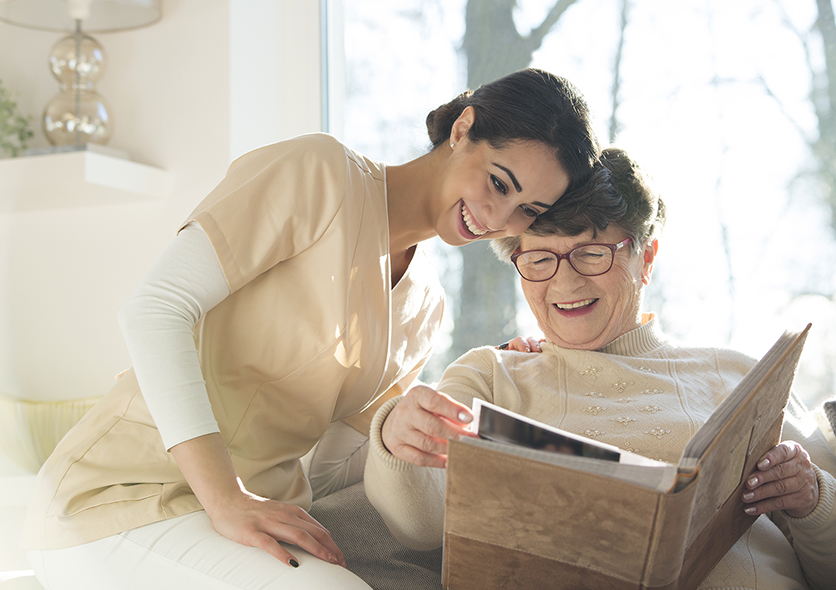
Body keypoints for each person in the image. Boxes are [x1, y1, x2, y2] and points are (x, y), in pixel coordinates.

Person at [21, 68, 604, 590]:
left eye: (527, 211)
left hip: (244, 522)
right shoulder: (319, 173)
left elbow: (329, 470)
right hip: (119, 501)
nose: (499, 219)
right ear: (464, 129)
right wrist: (226, 499)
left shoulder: (425, 305)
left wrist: (418, 429)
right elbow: (153, 309)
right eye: (499, 183)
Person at [363, 147, 836, 590]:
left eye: (592, 254)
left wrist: (812, 496)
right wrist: (397, 437)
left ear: (646, 256)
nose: (564, 284)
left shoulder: (738, 376)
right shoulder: (491, 375)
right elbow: (419, 524)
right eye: (540, 259)